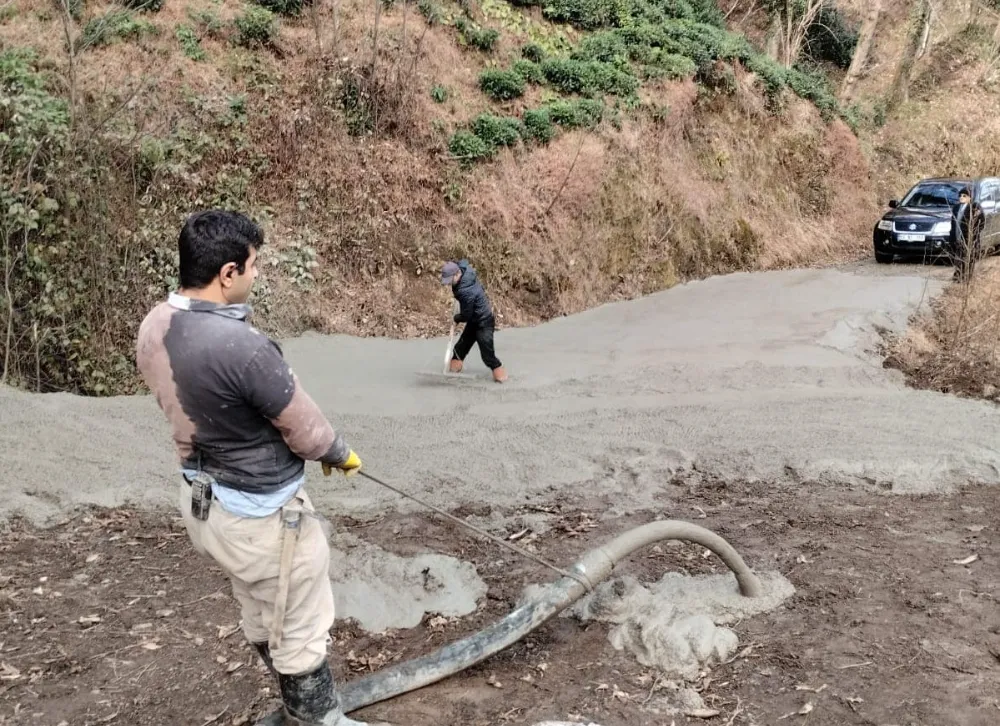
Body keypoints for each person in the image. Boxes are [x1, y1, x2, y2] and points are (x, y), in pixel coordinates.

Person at [136, 210, 384, 726]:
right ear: (227, 274)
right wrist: (339, 453)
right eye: (253, 265)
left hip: (204, 504)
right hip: (264, 519)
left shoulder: (154, 324)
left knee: (257, 601)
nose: (257, 274)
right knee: (299, 620)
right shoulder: (244, 349)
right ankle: (318, 719)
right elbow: (306, 427)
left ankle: (295, 703)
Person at [440, 258, 507, 383]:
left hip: (484, 321)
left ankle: (500, 374)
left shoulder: (466, 291)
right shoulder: (463, 272)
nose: (449, 284)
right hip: (474, 319)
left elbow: (466, 315)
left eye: (450, 280)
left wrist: (456, 318)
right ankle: (453, 370)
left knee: (487, 355)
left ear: (457, 274)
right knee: (460, 348)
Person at [950, 186, 985, 282]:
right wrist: (952, 236)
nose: (961, 197)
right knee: (958, 258)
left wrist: (973, 234)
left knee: (969, 259)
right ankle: (958, 276)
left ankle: (967, 278)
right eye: (960, 195)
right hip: (957, 237)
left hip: (970, 239)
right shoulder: (956, 208)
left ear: (970, 197)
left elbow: (981, 223)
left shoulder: (975, 207)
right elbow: (953, 223)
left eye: (964, 196)